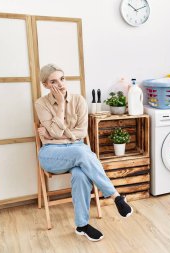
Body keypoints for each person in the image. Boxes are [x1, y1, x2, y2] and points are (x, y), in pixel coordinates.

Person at [35, 64, 133, 242]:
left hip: (78, 149)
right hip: (51, 153)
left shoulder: (79, 100)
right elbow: (64, 135)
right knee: (83, 154)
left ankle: (82, 225)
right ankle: (116, 196)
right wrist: (61, 111)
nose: (60, 84)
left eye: (62, 79)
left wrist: (55, 134)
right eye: (53, 81)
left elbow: (82, 133)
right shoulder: (41, 104)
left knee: (81, 174)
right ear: (45, 85)